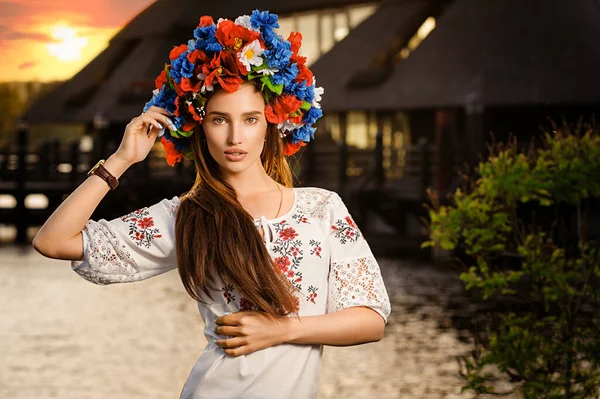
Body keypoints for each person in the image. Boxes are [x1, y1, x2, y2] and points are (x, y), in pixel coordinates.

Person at [32, 10, 391, 399]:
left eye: (250, 119)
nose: (235, 136)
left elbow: (370, 321)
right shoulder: (185, 216)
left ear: (272, 123)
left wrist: (283, 329)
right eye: (220, 120)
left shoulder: (322, 209)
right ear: (200, 126)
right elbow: (52, 241)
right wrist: (121, 160)